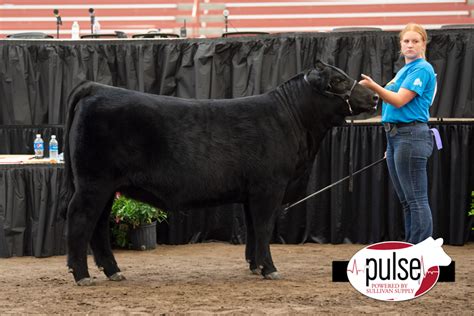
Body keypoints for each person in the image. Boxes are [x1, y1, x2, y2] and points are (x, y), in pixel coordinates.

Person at [359, 23, 437, 244]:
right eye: (406, 41)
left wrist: (374, 86)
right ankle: (413, 246)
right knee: (407, 200)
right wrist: (390, 143)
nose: (410, 45)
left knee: (416, 200)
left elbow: (399, 100)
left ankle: (420, 250)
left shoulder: (422, 68)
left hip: (411, 136)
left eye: (415, 41)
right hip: (397, 138)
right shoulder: (405, 70)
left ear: (423, 44)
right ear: (400, 45)